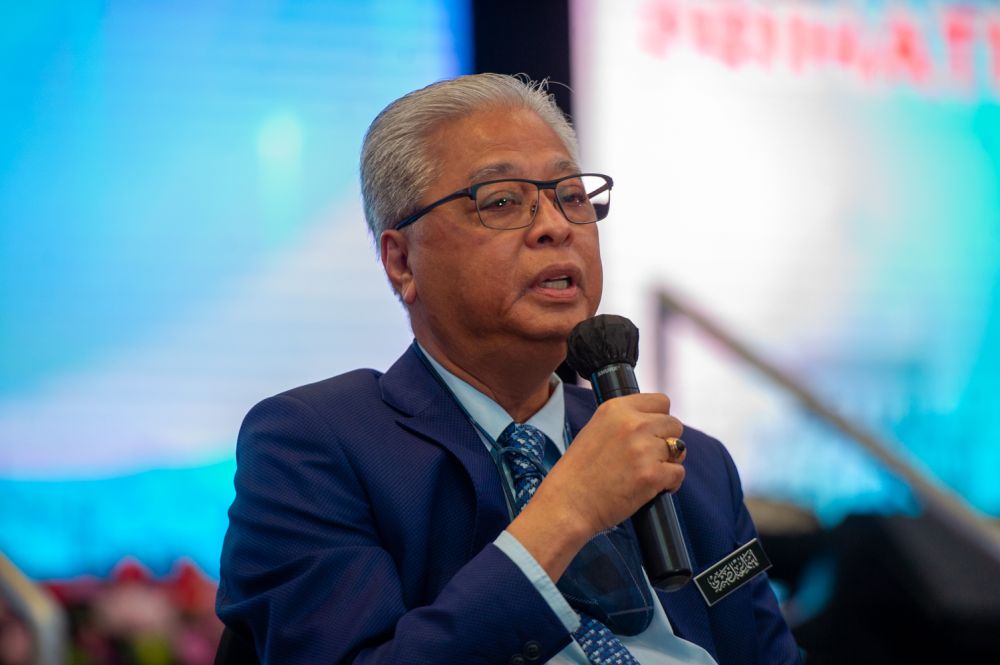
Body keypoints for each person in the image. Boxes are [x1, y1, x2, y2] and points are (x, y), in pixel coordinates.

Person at [216, 73, 801, 664]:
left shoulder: (695, 467)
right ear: (401, 262)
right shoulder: (316, 446)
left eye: (571, 196)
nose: (557, 225)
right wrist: (568, 510)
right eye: (501, 202)